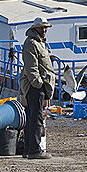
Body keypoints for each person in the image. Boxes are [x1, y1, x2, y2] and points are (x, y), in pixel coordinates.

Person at [18, 17, 55, 159]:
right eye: (42, 28)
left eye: (46, 28)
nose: (45, 30)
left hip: (38, 86)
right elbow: (31, 67)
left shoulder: (40, 43)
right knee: (36, 118)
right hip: (35, 87)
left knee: (33, 118)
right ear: (35, 29)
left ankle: (28, 149)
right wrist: (38, 84)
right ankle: (34, 150)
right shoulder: (31, 43)